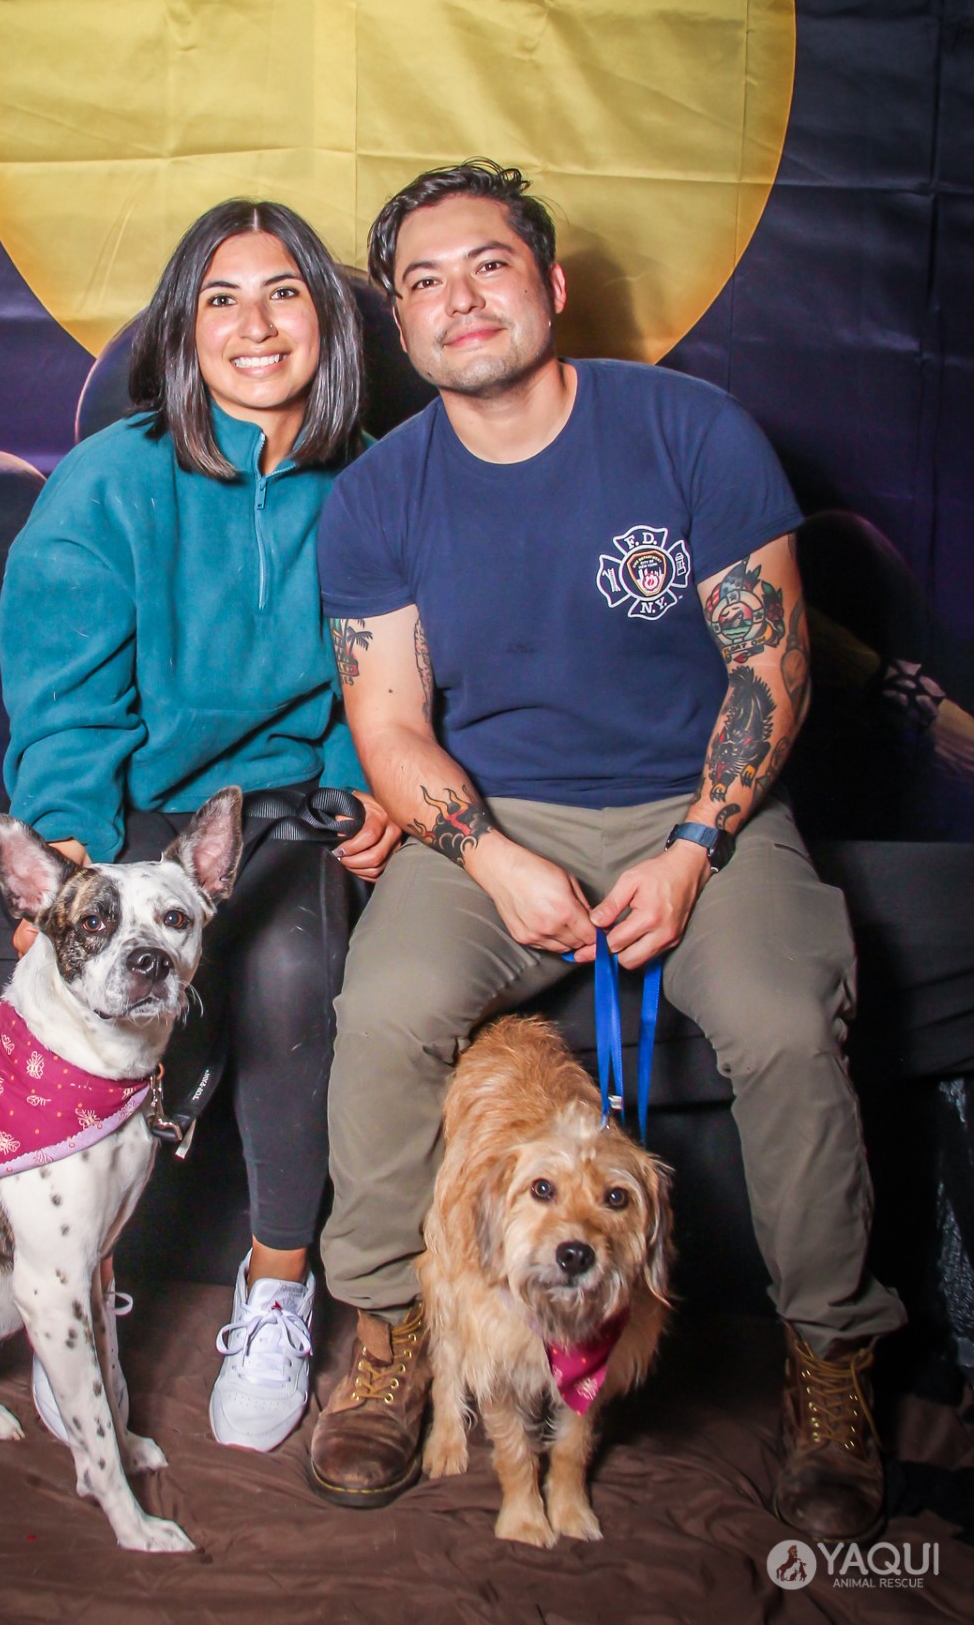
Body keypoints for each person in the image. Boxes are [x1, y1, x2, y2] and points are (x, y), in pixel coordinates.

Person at [309, 160, 905, 1541]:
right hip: (490, 819)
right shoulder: (378, 495)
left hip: (699, 806)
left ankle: (830, 1359)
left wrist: (696, 843)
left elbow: (772, 669)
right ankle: (389, 1334)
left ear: (551, 282)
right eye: (424, 282)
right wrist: (491, 857)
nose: (461, 299)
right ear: (400, 323)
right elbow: (388, 724)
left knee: (782, 1018)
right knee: (385, 1008)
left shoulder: (690, 431)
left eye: (489, 264)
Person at [0, 199, 400, 1453]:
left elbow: (392, 666)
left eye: (283, 292)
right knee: (85, 987)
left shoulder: (377, 477)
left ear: (327, 321)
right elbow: (64, 697)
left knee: (287, 974)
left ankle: (277, 1284)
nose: (253, 324)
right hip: (132, 806)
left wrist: (367, 785)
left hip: (287, 804)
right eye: (220, 298)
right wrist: (66, 849)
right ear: (181, 329)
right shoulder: (108, 480)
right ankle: (80, 1280)